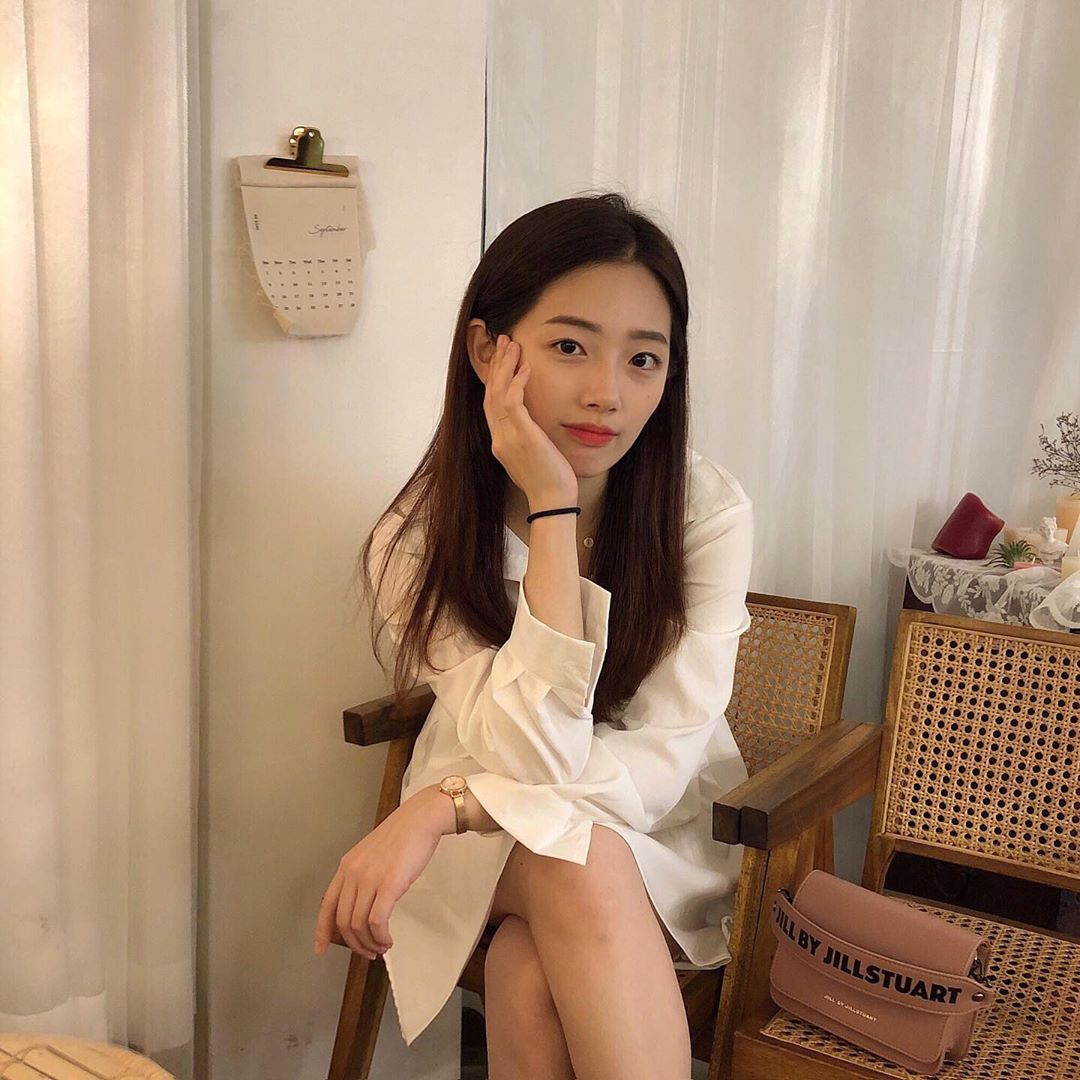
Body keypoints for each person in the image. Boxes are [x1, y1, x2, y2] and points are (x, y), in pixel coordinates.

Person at [313, 191, 755, 1080]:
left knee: (525, 974)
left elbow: (665, 757)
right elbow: (535, 751)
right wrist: (553, 511)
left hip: (653, 825)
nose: (607, 394)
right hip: (489, 841)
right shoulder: (417, 542)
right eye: (569, 347)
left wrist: (442, 806)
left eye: (643, 358)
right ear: (488, 350)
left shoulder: (703, 512)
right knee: (574, 863)